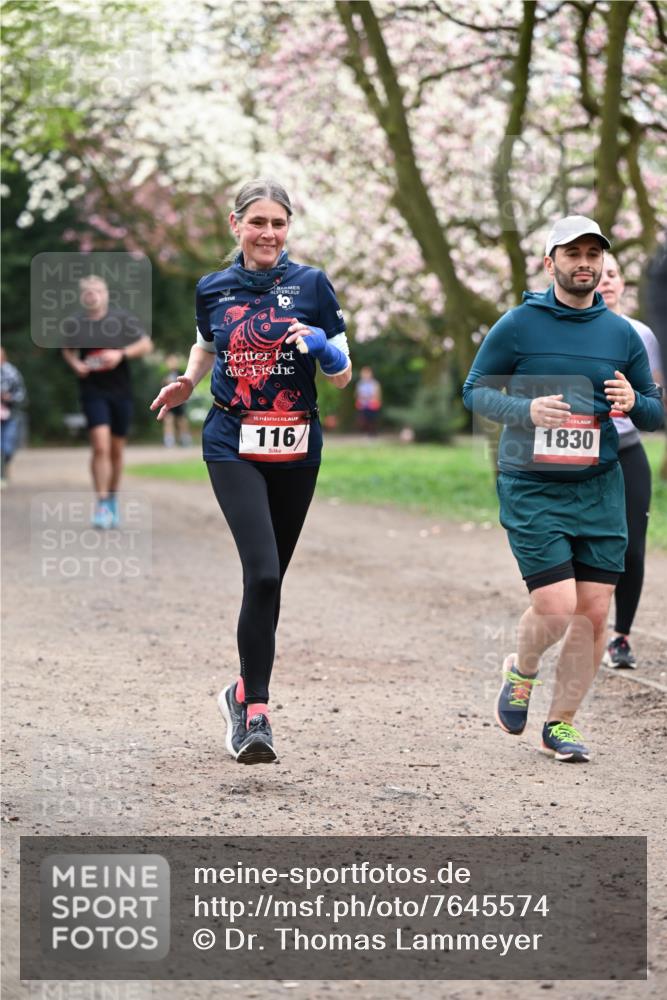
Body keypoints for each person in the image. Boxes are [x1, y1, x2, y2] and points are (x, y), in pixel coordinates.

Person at [150, 178, 352, 765]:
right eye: (257, 222)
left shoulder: (312, 285)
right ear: (235, 224)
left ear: (288, 229)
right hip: (231, 439)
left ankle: (238, 689)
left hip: (295, 444)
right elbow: (206, 343)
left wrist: (322, 346)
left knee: (271, 579)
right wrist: (189, 382)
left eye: (278, 223)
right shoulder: (212, 287)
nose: (268, 233)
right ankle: (255, 711)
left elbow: (341, 375)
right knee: (262, 573)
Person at [462, 216, 663, 763]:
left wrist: (632, 403)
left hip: (599, 486)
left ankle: (562, 724)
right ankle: (522, 670)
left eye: (593, 254)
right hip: (532, 484)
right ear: (550, 262)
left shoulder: (621, 334)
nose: (585, 264)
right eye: (572, 253)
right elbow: (474, 391)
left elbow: (652, 411)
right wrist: (523, 408)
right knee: (555, 605)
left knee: (594, 612)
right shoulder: (519, 325)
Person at [597, 255, 664, 668]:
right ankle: (584, 623)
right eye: (599, 274)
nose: (605, 281)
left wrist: (636, 401)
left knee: (633, 550)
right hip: (581, 457)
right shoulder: (569, 333)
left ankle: (620, 637)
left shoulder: (642, 334)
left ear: (623, 284)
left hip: (628, 451)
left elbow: (655, 401)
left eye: (613, 274)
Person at [62, 276, 152, 528]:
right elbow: (67, 349)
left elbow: (146, 344)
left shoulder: (120, 319)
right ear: (82, 296)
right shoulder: (76, 324)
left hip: (120, 391)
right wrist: (76, 364)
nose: (92, 294)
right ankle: (102, 504)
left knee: (115, 450)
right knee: (100, 447)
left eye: (96, 290)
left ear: (105, 294)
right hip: (92, 390)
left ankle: (111, 498)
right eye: (87, 291)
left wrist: (120, 353)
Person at [0, 347, 27, 484]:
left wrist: (9, 397)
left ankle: (5, 467)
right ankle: (2, 475)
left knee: (7, 445)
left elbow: (21, 394)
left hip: (10, 414)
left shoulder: (12, 373)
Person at [161, 355, 192, 447]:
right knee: (168, 420)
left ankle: (185, 439)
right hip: (170, 401)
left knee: (182, 420)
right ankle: (169, 440)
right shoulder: (166, 376)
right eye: (170, 362)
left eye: (174, 361)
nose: (172, 364)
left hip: (180, 401)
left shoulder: (183, 374)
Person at [355, 365, 382, 434]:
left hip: (372, 404)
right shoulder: (360, 384)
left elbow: (377, 394)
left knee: (372, 419)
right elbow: (357, 394)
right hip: (363, 404)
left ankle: (372, 432)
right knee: (363, 419)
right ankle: (365, 431)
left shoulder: (374, 383)